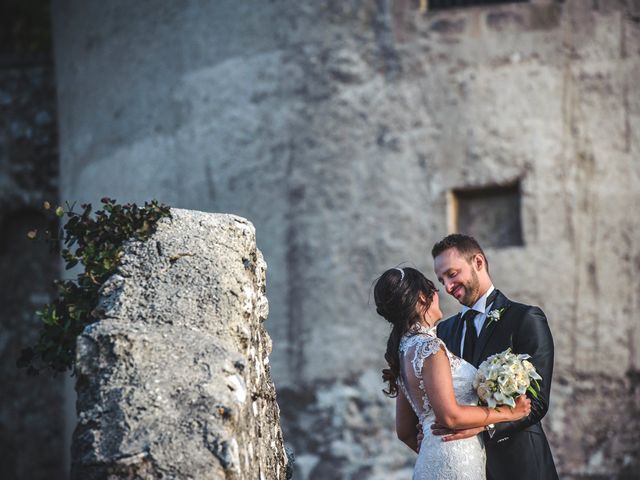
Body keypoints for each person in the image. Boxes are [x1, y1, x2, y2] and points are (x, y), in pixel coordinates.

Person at [373, 266, 531, 480]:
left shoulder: (403, 351)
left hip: (434, 460)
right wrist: (510, 413)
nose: (439, 292)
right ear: (422, 297)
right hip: (458, 461)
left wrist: (433, 450)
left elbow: (404, 432)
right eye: (433, 288)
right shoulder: (430, 348)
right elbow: (450, 416)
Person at [430, 234, 558, 480]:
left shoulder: (525, 319)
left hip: (520, 462)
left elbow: (538, 403)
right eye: (441, 279)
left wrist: (485, 425)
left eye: (452, 274)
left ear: (478, 262)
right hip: (464, 464)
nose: (447, 286)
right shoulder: (443, 332)